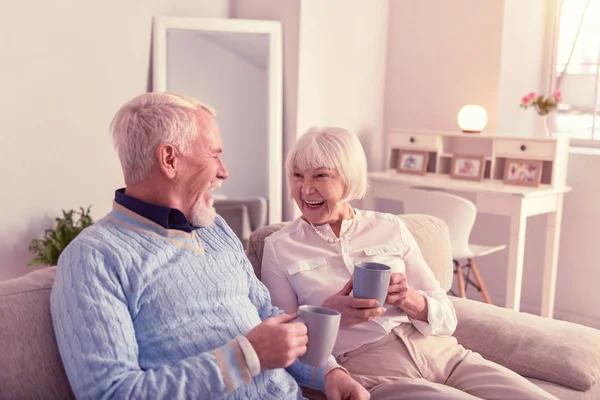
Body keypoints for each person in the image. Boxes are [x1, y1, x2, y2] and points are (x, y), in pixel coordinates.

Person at [50, 93, 369, 400]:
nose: (224, 171)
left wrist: (328, 373)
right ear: (169, 159)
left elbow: (267, 316)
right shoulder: (92, 257)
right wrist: (247, 356)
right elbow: (110, 393)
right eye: (214, 154)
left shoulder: (214, 227)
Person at [260, 126, 558, 400]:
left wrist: (412, 300)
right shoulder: (280, 247)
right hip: (374, 371)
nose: (306, 189)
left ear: (348, 178)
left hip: (444, 354)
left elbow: (448, 316)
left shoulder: (390, 228)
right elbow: (281, 341)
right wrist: (330, 314)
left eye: (320, 176)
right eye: (298, 175)